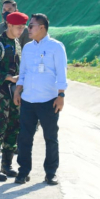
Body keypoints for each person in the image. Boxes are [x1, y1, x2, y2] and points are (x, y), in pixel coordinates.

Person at [13, 13, 67, 185]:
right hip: (28, 99)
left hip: (48, 100)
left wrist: (61, 96)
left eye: (31, 26)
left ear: (42, 27)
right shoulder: (27, 47)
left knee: (50, 137)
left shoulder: (56, 47)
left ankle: (51, 173)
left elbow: (62, 73)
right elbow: (23, 72)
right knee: (24, 137)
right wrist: (18, 90)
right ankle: (23, 172)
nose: (27, 29)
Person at [0, 12, 27, 182]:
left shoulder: (16, 43)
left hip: (14, 92)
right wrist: (9, 77)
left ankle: (6, 165)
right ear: (9, 25)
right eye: (18, 27)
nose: (21, 31)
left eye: (23, 27)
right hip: (0, 93)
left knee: (13, 127)